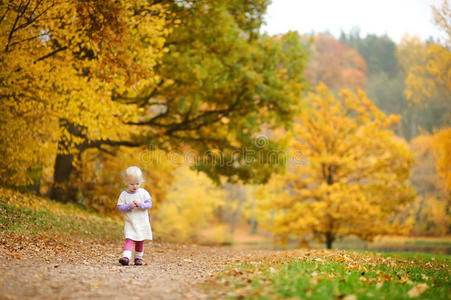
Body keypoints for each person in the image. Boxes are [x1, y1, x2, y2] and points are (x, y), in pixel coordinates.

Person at [117, 166, 152, 266]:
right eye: (132, 184)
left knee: (140, 240)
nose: (135, 186)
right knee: (129, 238)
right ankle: (126, 257)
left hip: (142, 222)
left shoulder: (144, 193)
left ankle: (138, 258)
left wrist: (140, 205)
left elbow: (149, 205)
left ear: (141, 182)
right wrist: (129, 206)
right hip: (130, 222)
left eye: (137, 184)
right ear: (126, 182)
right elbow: (120, 207)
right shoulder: (124, 194)